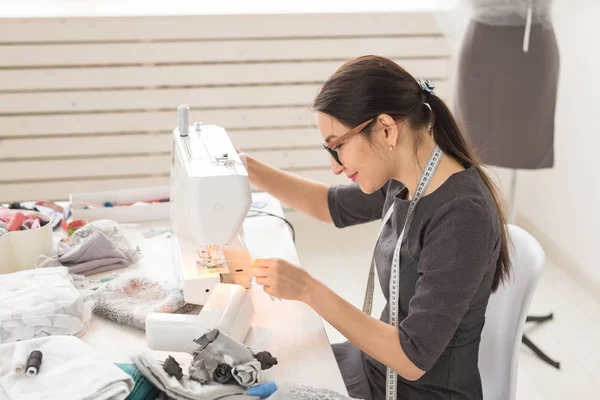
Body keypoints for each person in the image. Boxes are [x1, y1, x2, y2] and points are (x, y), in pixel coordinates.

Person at [244, 55, 510, 400]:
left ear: (386, 128)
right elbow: (328, 204)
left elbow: (412, 358)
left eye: (338, 147)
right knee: (251, 372)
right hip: (373, 368)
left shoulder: (462, 216)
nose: (336, 167)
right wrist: (245, 167)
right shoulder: (405, 177)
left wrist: (309, 289)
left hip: (416, 391)